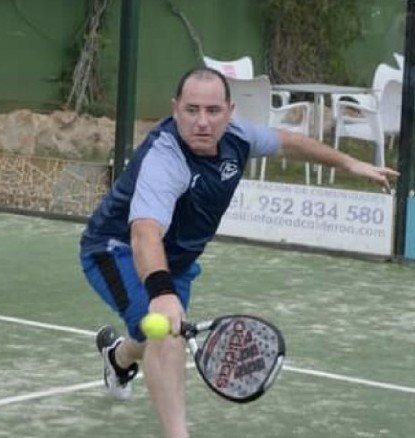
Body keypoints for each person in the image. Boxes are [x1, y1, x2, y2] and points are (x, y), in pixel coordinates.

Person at [79, 67, 398, 438]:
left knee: (158, 328)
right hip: (115, 251)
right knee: (165, 334)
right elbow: (144, 234)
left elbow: (289, 142)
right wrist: (162, 292)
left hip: (176, 262)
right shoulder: (165, 158)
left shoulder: (238, 137)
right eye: (192, 109)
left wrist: (349, 163)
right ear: (175, 109)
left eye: (213, 110)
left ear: (229, 112)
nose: (202, 121)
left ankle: (118, 358)